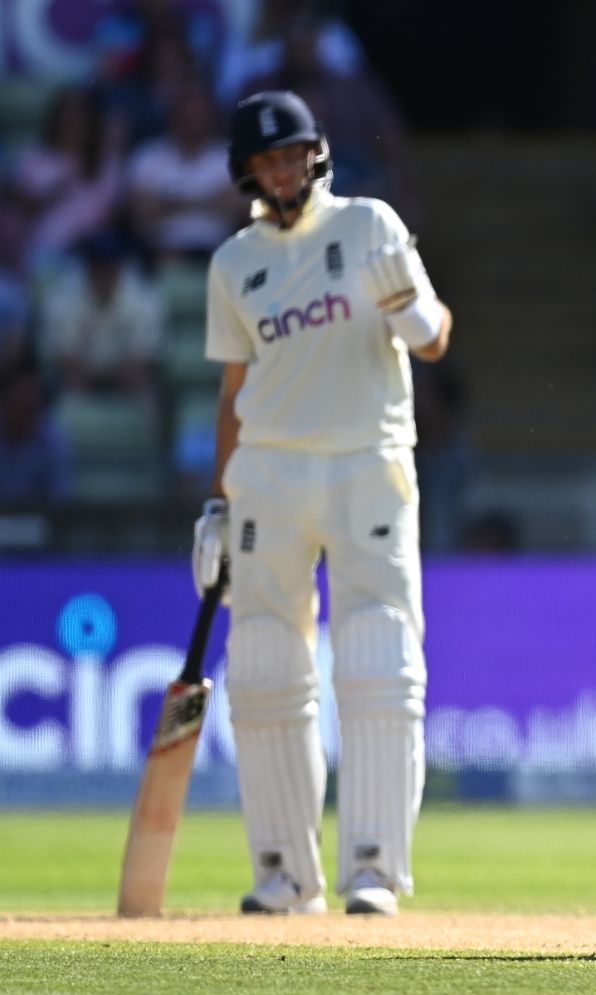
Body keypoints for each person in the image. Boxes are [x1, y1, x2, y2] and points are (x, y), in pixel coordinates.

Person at [190, 91, 453, 917]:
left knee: (376, 653)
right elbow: (234, 392)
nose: (283, 169)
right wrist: (217, 502)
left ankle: (373, 867)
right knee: (265, 661)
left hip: (366, 463)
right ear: (247, 174)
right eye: (267, 160)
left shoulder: (370, 224)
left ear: (316, 153)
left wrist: (409, 310)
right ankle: (283, 874)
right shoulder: (233, 264)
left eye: (293, 153)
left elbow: (436, 336)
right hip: (268, 473)